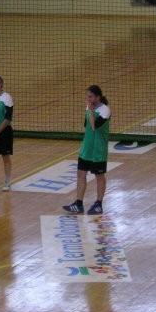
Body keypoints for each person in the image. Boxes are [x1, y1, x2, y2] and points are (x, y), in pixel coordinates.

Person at [63, 85, 111, 216]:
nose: (88, 99)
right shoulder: (89, 107)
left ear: (98, 97)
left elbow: (94, 126)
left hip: (98, 150)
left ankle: (99, 204)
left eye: (90, 97)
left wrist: (90, 110)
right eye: (87, 97)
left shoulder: (105, 110)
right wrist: (89, 109)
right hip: (87, 148)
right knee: (80, 174)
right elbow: (86, 126)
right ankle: (78, 204)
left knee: (99, 176)